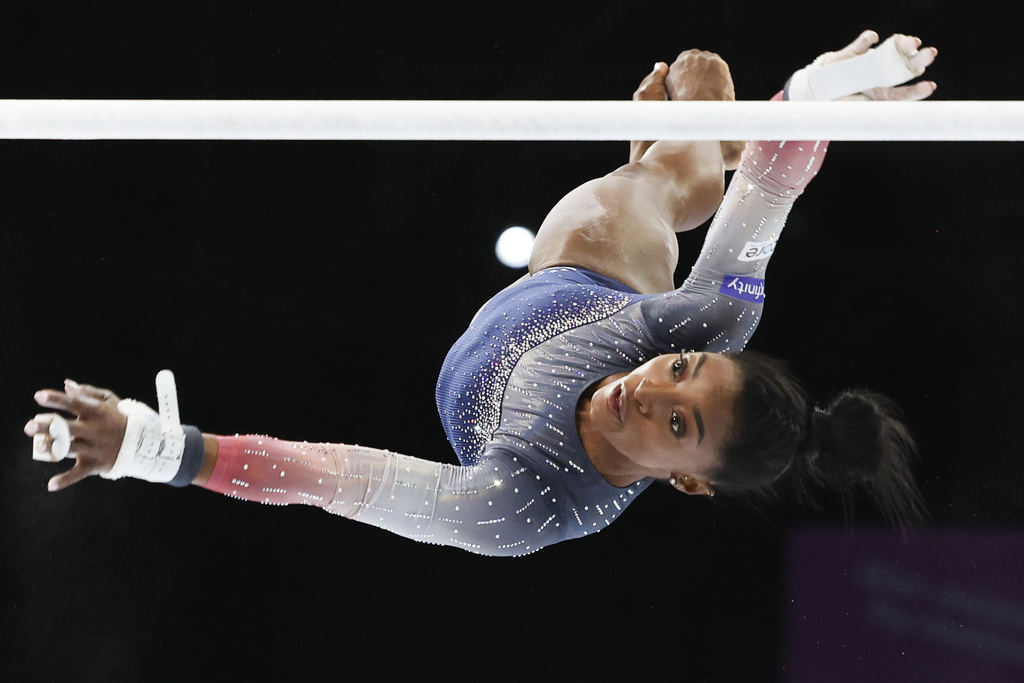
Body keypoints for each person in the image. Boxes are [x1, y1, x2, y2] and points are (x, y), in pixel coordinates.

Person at [25, 31, 938, 556]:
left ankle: (695, 143)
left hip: (530, 353)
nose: (649, 386)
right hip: (588, 280)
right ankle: (687, 153)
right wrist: (819, 95)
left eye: (675, 424)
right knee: (660, 183)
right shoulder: (707, 321)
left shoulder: (524, 505)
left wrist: (156, 446)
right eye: (684, 370)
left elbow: (326, 479)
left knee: (690, 124)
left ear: (688, 481)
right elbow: (773, 199)